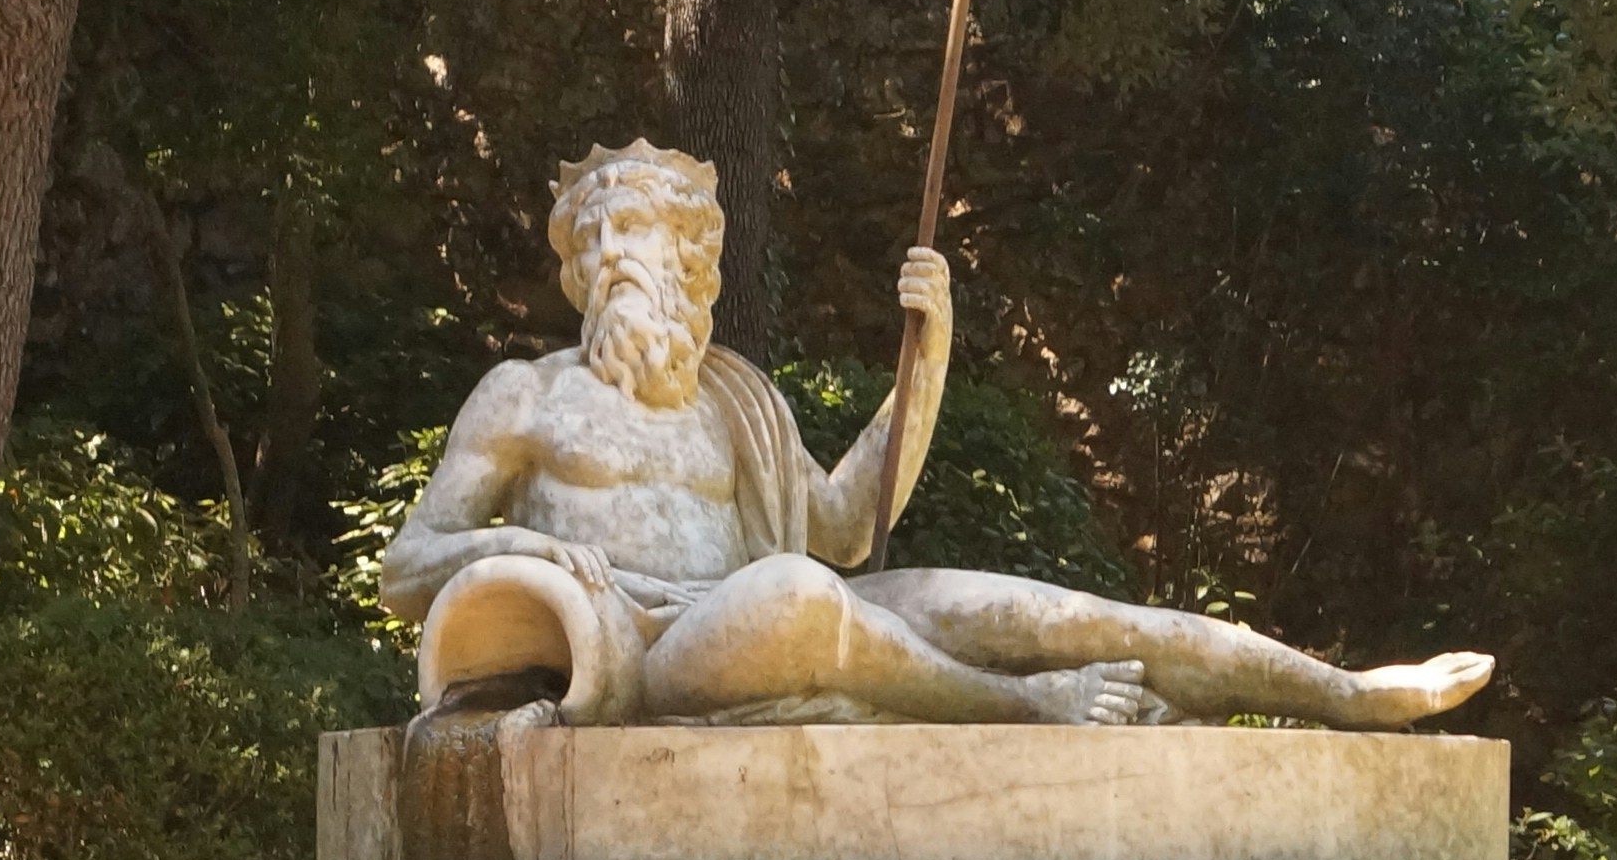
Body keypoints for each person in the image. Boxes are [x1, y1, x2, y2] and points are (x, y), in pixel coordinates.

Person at [376, 142, 1494, 729]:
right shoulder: (526, 393)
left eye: (640, 229)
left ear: (687, 260)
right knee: (793, 599)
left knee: (1043, 610)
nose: (616, 251)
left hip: (791, 603)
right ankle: (1029, 710)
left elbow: (848, 525)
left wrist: (930, 355)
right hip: (649, 649)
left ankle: (1341, 692)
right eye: (599, 234)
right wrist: (511, 552)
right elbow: (406, 567)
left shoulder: (733, 399)